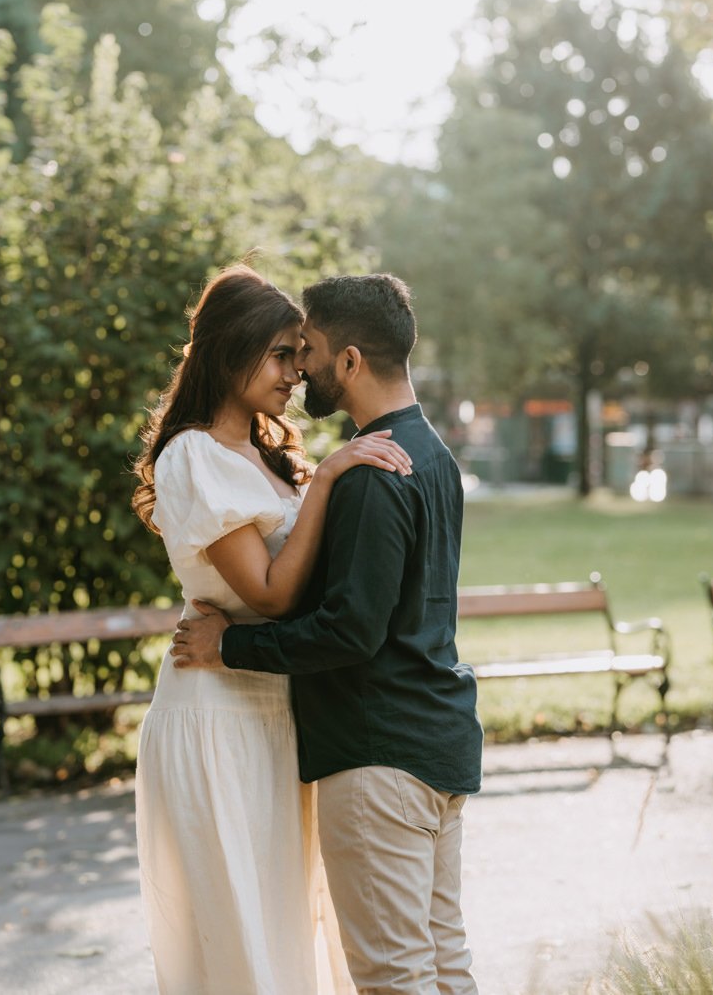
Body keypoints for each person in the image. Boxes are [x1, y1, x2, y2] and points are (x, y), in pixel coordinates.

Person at [172, 273, 482, 995]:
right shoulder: (431, 455)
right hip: (434, 742)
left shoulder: (375, 472)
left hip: (379, 754)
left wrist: (230, 646)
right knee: (443, 970)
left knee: (394, 980)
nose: (299, 367)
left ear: (347, 361)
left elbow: (350, 632)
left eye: (305, 350)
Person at [132, 263, 413, 995]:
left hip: (276, 705)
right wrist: (330, 478)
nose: (297, 372)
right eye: (283, 354)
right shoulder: (193, 455)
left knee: (290, 920)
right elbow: (269, 593)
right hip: (217, 714)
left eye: (300, 353)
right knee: (240, 927)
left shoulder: (265, 457)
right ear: (231, 351)